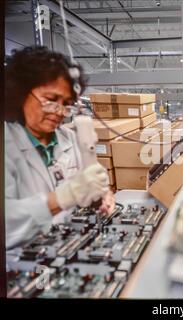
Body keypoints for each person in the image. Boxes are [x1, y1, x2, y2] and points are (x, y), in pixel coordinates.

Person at [5, 46, 115, 249]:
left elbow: (88, 186)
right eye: (51, 100)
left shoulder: (70, 139)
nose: (59, 112)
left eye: (67, 104)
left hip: (67, 245)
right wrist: (63, 197)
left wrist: (101, 196)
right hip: (19, 261)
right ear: (20, 92)